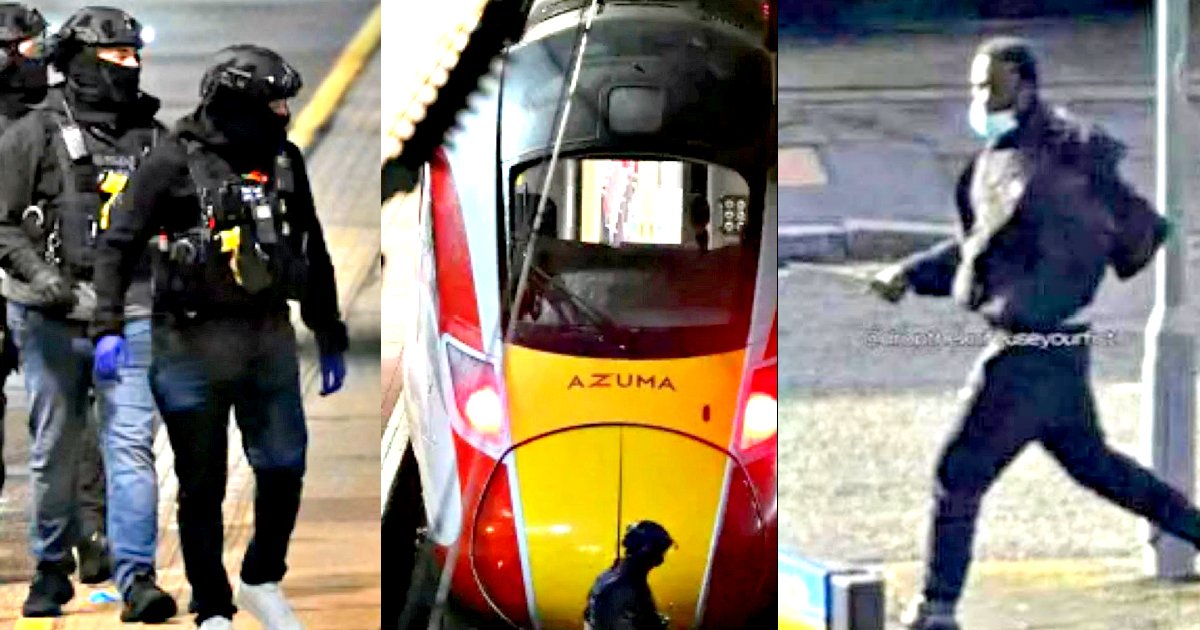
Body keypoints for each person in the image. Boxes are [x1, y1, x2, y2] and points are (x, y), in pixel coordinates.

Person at [867, 37, 1188, 630]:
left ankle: (936, 612)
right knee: (1095, 466)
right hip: (1062, 350)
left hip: (1029, 353)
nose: (979, 98)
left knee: (958, 475)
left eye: (991, 87)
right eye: (975, 86)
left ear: (1027, 88)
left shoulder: (1040, 169)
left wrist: (1020, 308)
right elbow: (987, 252)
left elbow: (1035, 256)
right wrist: (912, 275)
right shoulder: (1028, 156)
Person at [91, 44, 348, 630]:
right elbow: (117, 244)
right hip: (188, 346)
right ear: (236, 104)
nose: (284, 114)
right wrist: (108, 326)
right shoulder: (171, 161)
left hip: (267, 340)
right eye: (274, 102)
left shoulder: (285, 161)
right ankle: (212, 603)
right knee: (201, 483)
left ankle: (262, 576)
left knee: (284, 464)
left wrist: (327, 326)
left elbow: (312, 246)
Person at [0, 6, 175, 620]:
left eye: (134, 58)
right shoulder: (31, 134)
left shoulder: (154, 138)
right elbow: (2, 225)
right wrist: (42, 279)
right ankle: (51, 569)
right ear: (80, 61)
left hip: (129, 314)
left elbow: (183, 218)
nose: (130, 68)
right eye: (116, 58)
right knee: (55, 448)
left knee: (130, 448)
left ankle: (137, 579)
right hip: (48, 317)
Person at [584, 520, 674, 630]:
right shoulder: (623, 588)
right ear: (646, 550)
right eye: (659, 552)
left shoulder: (612, 576)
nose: (661, 560)